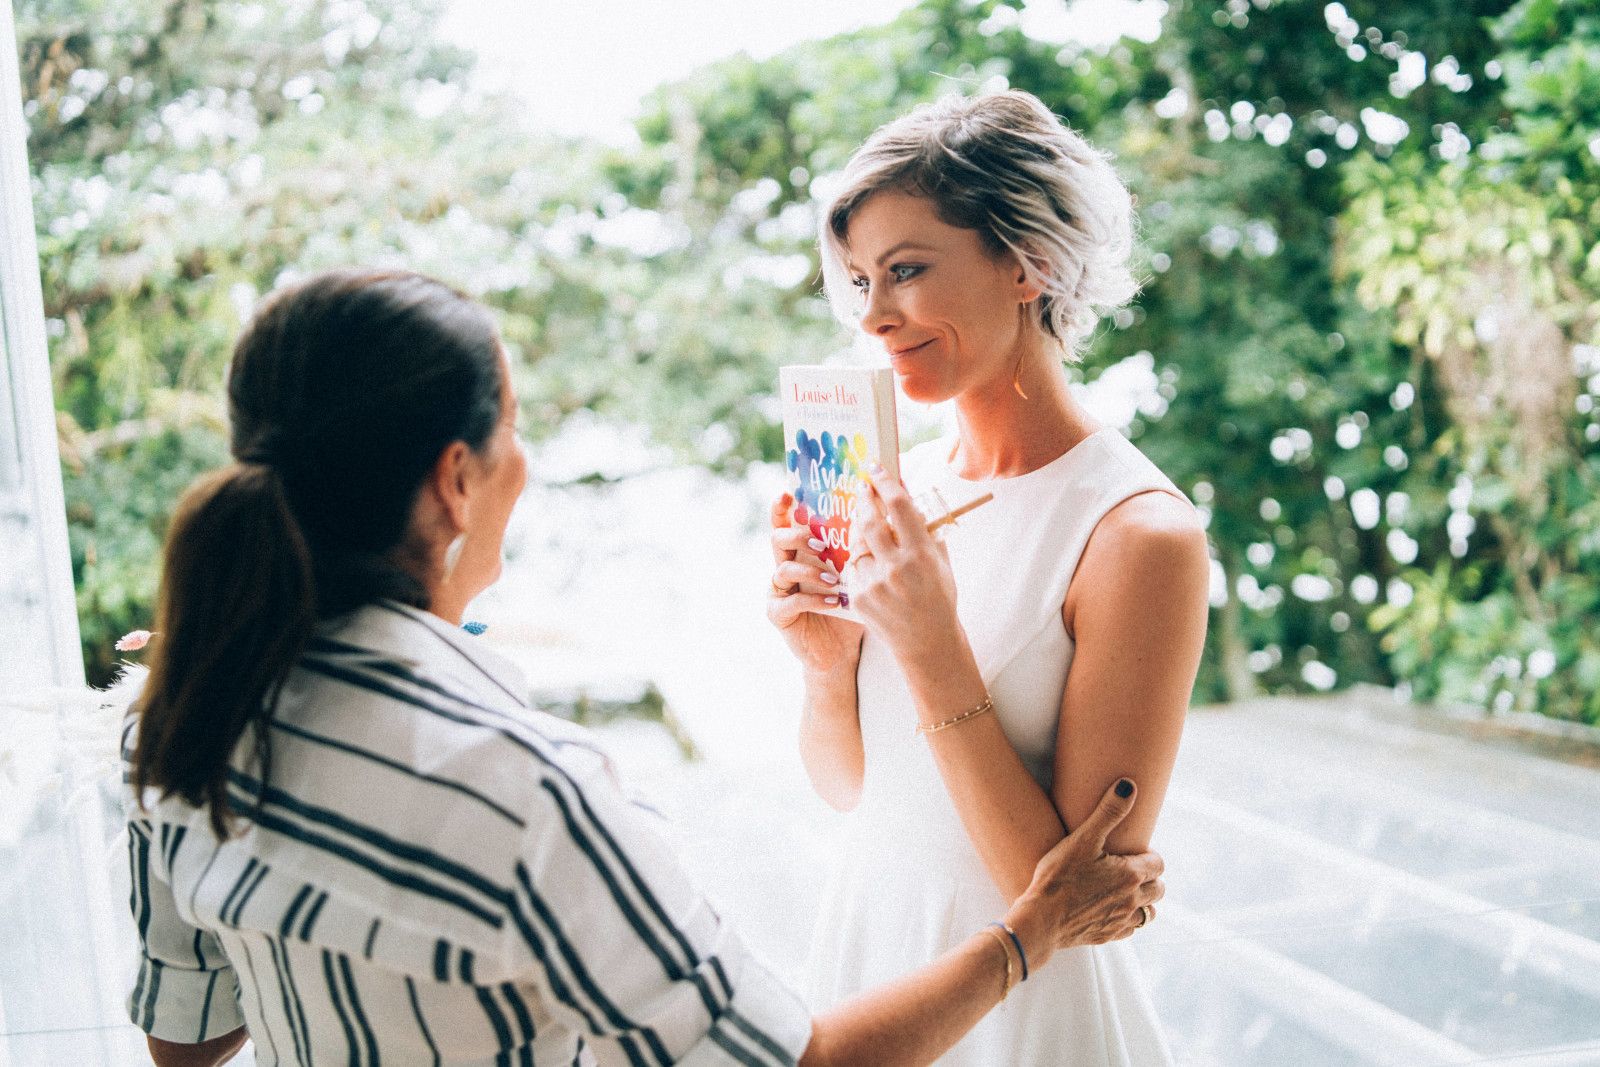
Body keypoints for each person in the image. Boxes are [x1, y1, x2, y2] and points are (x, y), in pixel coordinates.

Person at [122, 268, 1165, 1067]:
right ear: (455, 479)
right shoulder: (523, 789)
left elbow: (189, 1038)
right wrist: (1028, 933)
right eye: (516, 428)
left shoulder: (170, 718)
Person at [766, 91, 1210, 1065]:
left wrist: (930, 646)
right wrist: (824, 664)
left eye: (907, 271)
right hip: (871, 957)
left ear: (1028, 264)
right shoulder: (891, 484)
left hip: (1025, 1005)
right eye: (856, 280)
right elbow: (854, 791)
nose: (873, 316)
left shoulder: (1139, 535)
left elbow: (1067, 902)